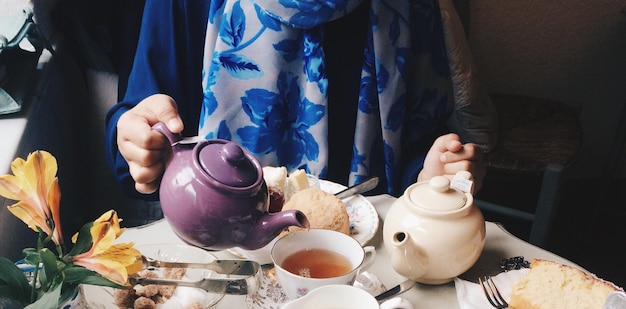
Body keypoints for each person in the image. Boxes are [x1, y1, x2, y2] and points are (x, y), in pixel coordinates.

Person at [105, 0, 489, 213]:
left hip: (361, 268)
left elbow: (417, 149)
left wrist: (431, 177)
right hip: (219, 262)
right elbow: (137, 151)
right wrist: (138, 142)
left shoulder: (413, 8)